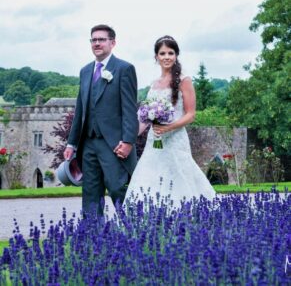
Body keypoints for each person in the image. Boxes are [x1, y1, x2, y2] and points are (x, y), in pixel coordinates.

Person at [123, 35, 216, 208]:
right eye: (162, 53)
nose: (166, 57)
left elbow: (190, 114)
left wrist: (169, 128)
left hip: (175, 139)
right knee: (149, 178)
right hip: (154, 141)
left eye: (170, 53)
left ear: (176, 55)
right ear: (156, 57)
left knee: (179, 178)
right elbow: (144, 119)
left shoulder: (184, 80)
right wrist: (128, 138)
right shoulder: (154, 84)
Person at [64, 24, 138, 215]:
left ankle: (137, 233)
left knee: (117, 188)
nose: (97, 43)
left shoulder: (124, 69)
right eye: (93, 40)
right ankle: (91, 239)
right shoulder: (85, 71)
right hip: (88, 143)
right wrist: (71, 143)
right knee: (90, 193)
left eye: (101, 39)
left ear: (112, 43)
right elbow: (80, 110)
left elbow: (129, 109)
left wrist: (128, 141)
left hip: (113, 143)